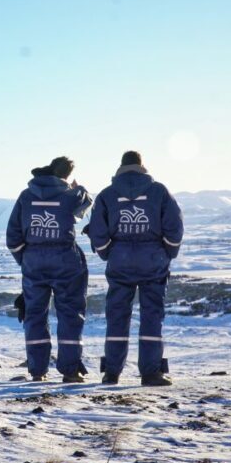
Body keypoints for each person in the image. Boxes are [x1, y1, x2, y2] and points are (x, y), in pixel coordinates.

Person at [87, 151, 184, 386]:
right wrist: (166, 253)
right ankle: (150, 373)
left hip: (120, 262)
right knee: (152, 316)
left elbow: (98, 232)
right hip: (153, 262)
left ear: (120, 167)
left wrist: (109, 253)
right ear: (142, 166)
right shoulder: (159, 191)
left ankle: (112, 372)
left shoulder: (107, 195)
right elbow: (175, 227)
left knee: (117, 316)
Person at [6, 157, 93, 383]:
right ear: (66, 175)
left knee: (34, 315)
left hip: (33, 261)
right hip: (66, 260)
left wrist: (25, 260)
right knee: (70, 314)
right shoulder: (69, 194)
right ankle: (70, 371)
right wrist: (78, 187)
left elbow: (13, 237)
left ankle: (37, 370)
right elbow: (86, 203)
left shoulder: (26, 196)